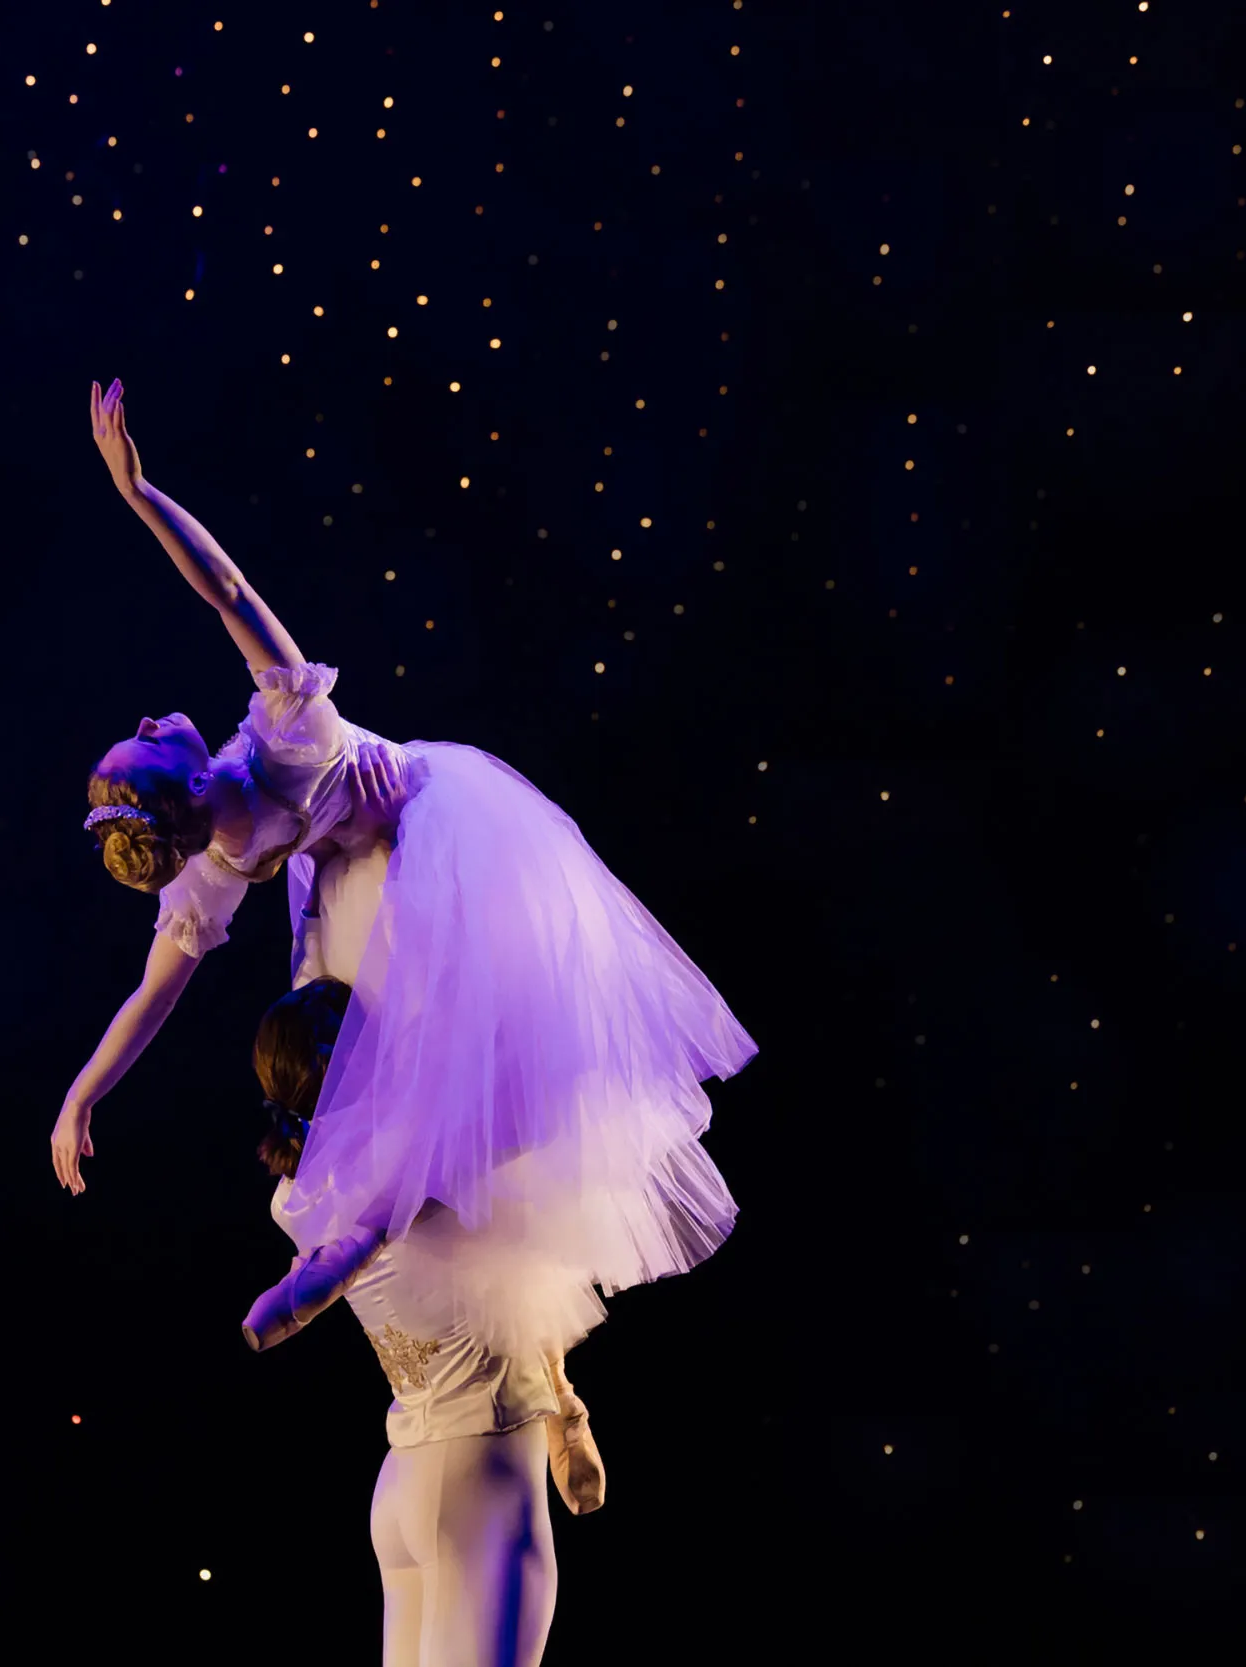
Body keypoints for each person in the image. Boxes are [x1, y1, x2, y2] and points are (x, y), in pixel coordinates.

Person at [54, 378, 754, 1367]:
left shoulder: (213, 859)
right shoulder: (288, 728)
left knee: (427, 1082)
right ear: (187, 779)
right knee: (470, 1075)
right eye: (143, 743)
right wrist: (140, 493)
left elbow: (152, 996)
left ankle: (368, 1259)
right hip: (424, 847)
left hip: (378, 881)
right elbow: (228, 590)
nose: (142, 720)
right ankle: (391, 1268)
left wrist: (82, 1093)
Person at [240, 979, 603, 1667]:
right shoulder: (420, 1160)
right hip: (479, 1472)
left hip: (409, 1480)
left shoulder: (300, 1197)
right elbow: (554, 1081)